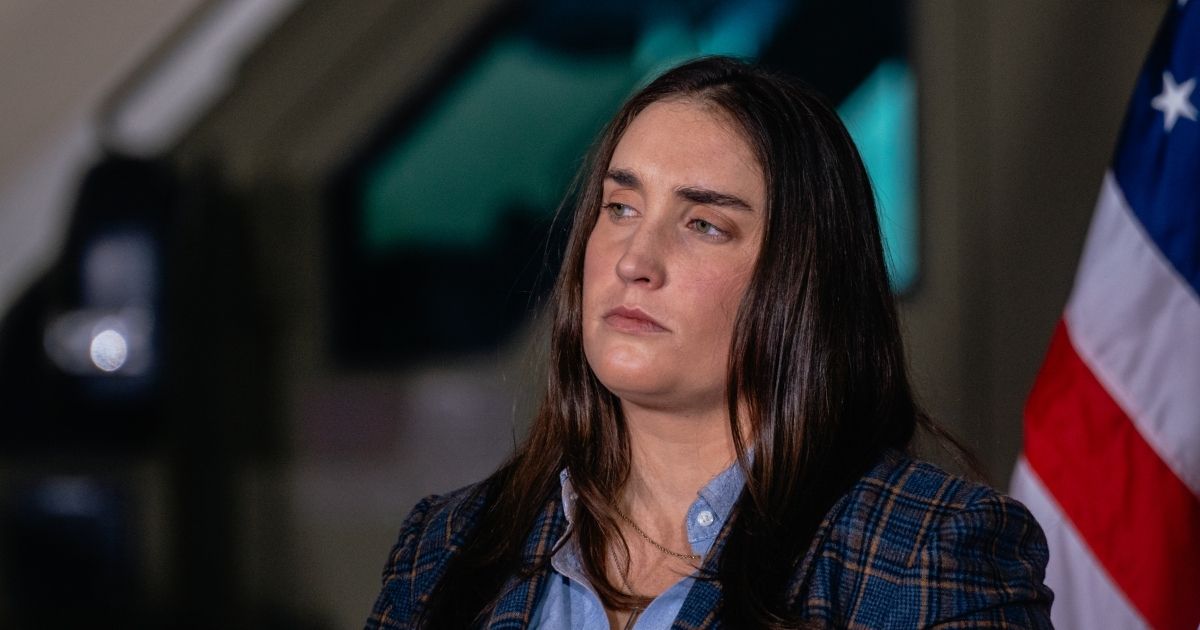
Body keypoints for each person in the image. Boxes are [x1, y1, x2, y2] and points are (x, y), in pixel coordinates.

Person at [365, 56, 1053, 629]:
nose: (635, 260)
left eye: (704, 225)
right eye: (620, 208)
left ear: (803, 281)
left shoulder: (931, 551)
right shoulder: (445, 544)